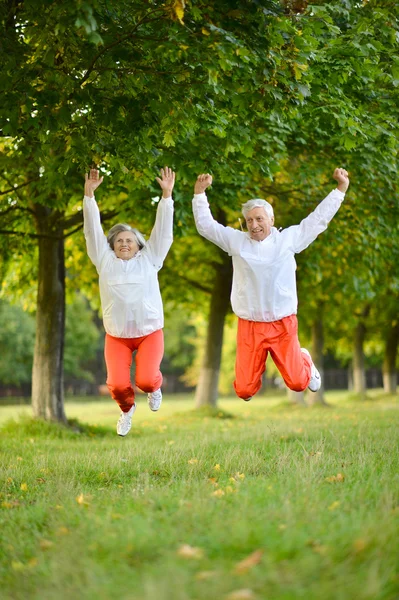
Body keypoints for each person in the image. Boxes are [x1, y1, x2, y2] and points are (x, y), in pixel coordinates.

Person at [192, 168, 350, 400]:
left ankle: (303, 359)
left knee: (297, 383)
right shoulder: (237, 241)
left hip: (282, 324)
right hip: (250, 326)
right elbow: (206, 227)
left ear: (271, 220)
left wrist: (340, 190)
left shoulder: (287, 240)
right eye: (249, 220)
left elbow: (318, 220)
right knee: (244, 390)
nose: (254, 225)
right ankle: (259, 376)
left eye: (259, 219)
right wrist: (199, 195)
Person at [83, 167, 175, 436]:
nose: (125, 243)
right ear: (112, 245)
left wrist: (166, 196)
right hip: (117, 336)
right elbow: (92, 232)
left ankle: (155, 388)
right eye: (120, 240)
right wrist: (89, 195)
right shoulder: (104, 261)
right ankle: (126, 411)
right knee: (117, 385)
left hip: (149, 332)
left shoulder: (151, 259)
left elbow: (163, 234)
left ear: (138, 245)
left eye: (130, 240)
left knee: (146, 380)